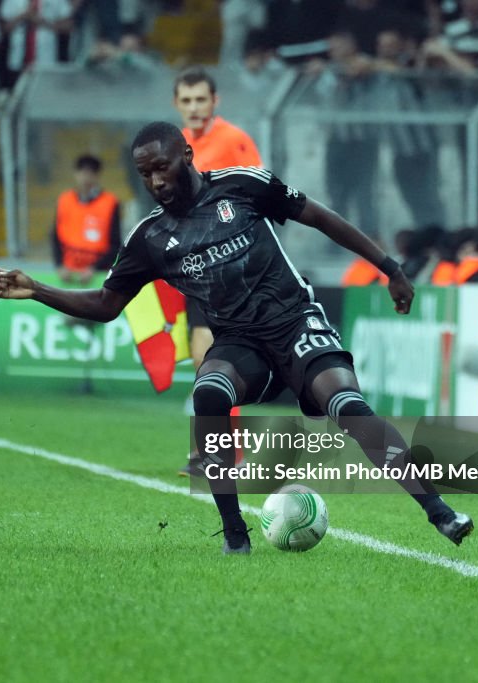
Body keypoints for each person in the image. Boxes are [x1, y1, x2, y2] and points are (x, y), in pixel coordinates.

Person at [0, 121, 474, 554]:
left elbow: (322, 217)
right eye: (144, 174)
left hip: (295, 321)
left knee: (346, 405)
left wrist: (389, 268)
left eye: (162, 166)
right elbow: (106, 305)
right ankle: (235, 536)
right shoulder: (149, 239)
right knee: (209, 391)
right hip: (240, 342)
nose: (156, 181)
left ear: (187, 156)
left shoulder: (243, 186)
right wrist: (37, 290)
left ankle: (440, 513)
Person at [171, 66, 262, 475]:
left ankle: (220, 453)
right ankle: (219, 450)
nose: (194, 107)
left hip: (231, 266)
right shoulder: (175, 144)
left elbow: (260, 192)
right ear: (177, 104)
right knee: (200, 357)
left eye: (200, 100)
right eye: (186, 100)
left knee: (214, 356)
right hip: (195, 268)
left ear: (214, 101)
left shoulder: (233, 141)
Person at [52, 154, 121, 285]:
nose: (86, 178)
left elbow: (115, 243)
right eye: (82, 172)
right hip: (67, 273)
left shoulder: (110, 203)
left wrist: (94, 269)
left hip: (98, 275)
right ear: (76, 174)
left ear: (97, 176)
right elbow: (55, 236)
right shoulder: (64, 200)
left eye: (91, 173)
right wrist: (59, 265)